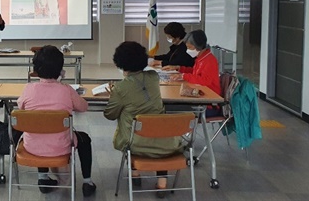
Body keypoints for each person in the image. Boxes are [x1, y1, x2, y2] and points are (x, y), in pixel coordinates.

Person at [104, 41, 183, 198]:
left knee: (131, 125)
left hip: (135, 143)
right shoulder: (154, 77)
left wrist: (113, 95)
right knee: (157, 128)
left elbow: (110, 114)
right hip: (167, 142)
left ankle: (135, 175)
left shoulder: (121, 87)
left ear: (119, 63)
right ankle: (162, 184)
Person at [17, 45, 96, 197]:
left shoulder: (28, 89)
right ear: (60, 69)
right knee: (84, 139)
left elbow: (21, 107)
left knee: (39, 126)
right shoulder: (66, 90)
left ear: (36, 68)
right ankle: (87, 182)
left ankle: (43, 178)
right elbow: (83, 107)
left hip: (32, 147)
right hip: (61, 146)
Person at [164, 30, 222, 117]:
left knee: (169, 108)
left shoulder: (210, 60)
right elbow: (195, 72)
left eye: (190, 48)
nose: (188, 51)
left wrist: (183, 76)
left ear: (198, 47)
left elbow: (205, 80)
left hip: (208, 104)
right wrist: (179, 68)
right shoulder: (200, 58)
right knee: (169, 105)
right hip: (198, 96)